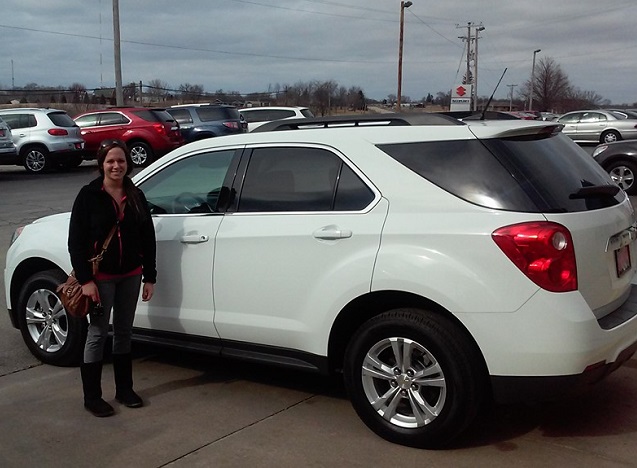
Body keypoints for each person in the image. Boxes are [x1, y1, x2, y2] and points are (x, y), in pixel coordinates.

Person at [68, 139, 156, 417]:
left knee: (124, 332)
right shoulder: (88, 195)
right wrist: (85, 281)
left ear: (127, 163)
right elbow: (76, 242)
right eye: (110, 161)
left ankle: (124, 389)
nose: (116, 165)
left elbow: (148, 237)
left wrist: (149, 276)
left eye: (121, 160)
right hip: (100, 278)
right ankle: (92, 397)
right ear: (101, 165)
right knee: (97, 333)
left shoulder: (136, 194)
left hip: (131, 274)